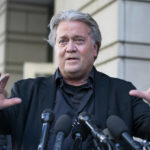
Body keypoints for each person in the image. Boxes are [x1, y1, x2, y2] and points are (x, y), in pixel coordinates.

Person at [0, 10, 150, 150]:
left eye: (78, 40)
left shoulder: (123, 93)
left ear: (95, 49)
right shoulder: (25, 93)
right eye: (63, 41)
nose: (70, 48)